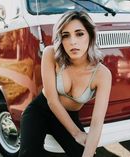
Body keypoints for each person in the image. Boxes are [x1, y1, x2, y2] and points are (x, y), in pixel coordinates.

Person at [19, 10, 112, 157]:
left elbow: (96, 123)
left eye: (79, 34)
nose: (72, 42)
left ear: (90, 35)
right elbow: (52, 101)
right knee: (28, 154)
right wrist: (76, 133)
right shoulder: (51, 54)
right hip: (40, 110)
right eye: (65, 35)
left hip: (69, 117)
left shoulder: (102, 74)